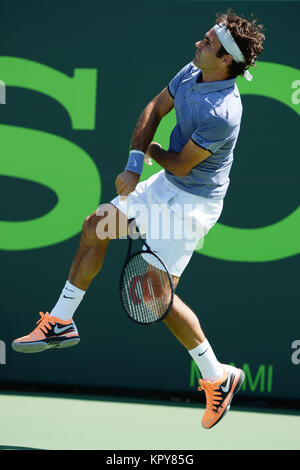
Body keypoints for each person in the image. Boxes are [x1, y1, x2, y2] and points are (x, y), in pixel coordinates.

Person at [12, 11, 265, 429]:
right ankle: (60, 321)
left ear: (225, 60)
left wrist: (154, 153)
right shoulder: (193, 70)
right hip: (165, 186)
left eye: (206, 42)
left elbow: (181, 165)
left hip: (190, 207)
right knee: (96, 225)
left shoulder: (223, 111)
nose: (197, 44)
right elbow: (155, 106)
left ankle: (217, 376)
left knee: (156, 300)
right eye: (203, 38)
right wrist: (134, 163)